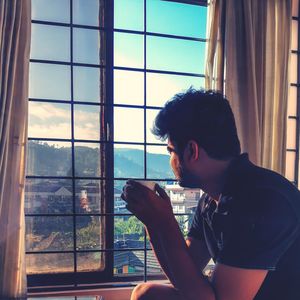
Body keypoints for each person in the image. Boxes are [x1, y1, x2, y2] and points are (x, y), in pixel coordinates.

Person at [121, 89, 300, 300]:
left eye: (171, 151)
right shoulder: (212, 200)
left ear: (191, 151)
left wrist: (165, 223)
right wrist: (153, 222)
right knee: (147, 294)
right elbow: (185, 275)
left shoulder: (263, 200)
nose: (170, 160)